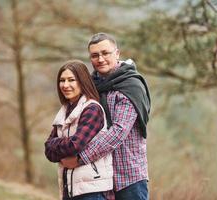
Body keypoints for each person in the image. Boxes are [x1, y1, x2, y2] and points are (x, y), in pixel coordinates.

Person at [61, 33, 151, 200]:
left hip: (128, 177)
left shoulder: (131, 86)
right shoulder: (91, 86)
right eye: (95, 55)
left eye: (105, 53)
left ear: (117, 53)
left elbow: (118, 132)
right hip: (98, 177)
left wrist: (80, 158)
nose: (100, 59)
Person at [44, 60, 113, 200]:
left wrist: (56, 144)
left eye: (71, 80)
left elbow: (75, 145)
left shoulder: (92, 109)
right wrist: (57, 145)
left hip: (92, 190)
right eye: (62, 80)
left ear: (82, 82)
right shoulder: (64, 111)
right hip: (70, 188)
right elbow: (48, 151)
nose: (65, 85)